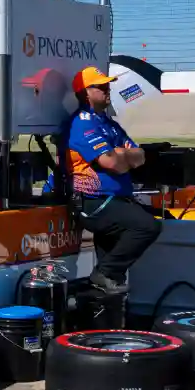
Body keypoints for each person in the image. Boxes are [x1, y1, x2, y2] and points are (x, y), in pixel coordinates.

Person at [60, 66, 161, 295]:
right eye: (101, 86)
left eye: (108, 85)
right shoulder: (82, 124)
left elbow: (140, 156)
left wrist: (122, 155)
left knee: (112, 284)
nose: (107, 89)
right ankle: (103, 273)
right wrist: (122, 156)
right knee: (148, 226)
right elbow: (112, 162)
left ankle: (105, 305)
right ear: (85, 93)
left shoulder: (110, 123)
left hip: (116, 199)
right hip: (94, 202)